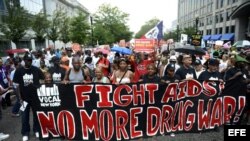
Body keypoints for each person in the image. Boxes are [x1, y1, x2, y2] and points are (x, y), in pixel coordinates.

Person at [13, 53, 45, 141]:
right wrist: (20, 98)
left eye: (30, 60)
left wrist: (38, 87)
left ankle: (36, 130)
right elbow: (16, 85)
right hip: (24, 99)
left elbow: (43, 79)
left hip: (35, 98)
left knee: (36, 115)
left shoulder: (36, 69)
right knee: (24, 116)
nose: (29, 62)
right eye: (27, 60)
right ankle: (25, 132)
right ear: (24, 60)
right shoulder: (19, 71)